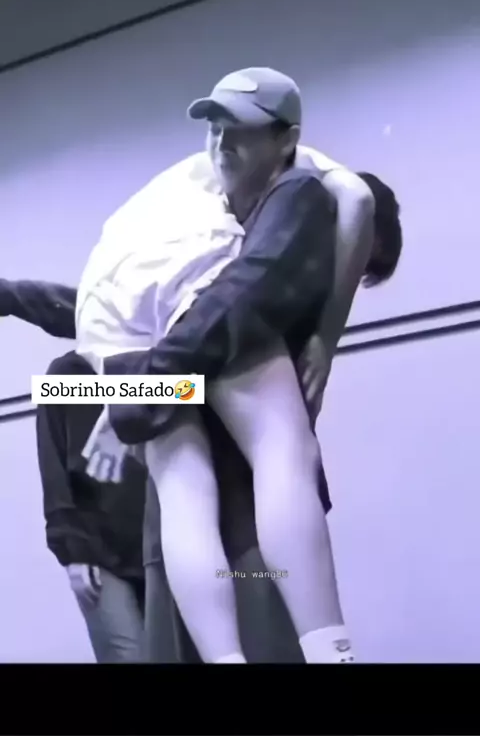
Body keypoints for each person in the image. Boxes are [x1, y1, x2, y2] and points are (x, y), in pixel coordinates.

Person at [0, 169, 401, 663]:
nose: (348, 274)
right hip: (177, 524)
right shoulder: (247, 280)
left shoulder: (283, 302)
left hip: (231, 519)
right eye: (356, 259)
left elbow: (189, 355)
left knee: (261, 626)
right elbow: (155, 343)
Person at [72, 67, 391, 664]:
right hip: (165, 345)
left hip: (113, 327)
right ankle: (331, 649)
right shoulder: (294, 193)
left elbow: (83, 343)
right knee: (282, 445)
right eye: (216, 127)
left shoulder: (175, 201)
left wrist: (126, 396)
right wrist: (325, 337)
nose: (221, 142)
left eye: (237, 129)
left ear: (281, 138)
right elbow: (356, 201)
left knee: (184, 488)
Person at [35, 349, 146, 663]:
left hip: (163, 543)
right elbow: (53, 467)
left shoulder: (161, 365)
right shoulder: (66, 372)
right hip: (98, 550)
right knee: (129, 655)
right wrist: (72, 550)